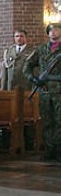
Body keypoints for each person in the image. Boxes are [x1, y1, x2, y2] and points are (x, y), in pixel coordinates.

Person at [24, 23, 61, 162]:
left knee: (59, 121)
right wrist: (33, 78)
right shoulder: (41, 50)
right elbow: (27, 65)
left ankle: (59, 149)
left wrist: (51, 77)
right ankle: (49, 149)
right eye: (50, 30)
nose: (53, 32)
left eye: (56, 29)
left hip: (59, 92)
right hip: (44, 91)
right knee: (46, 121)